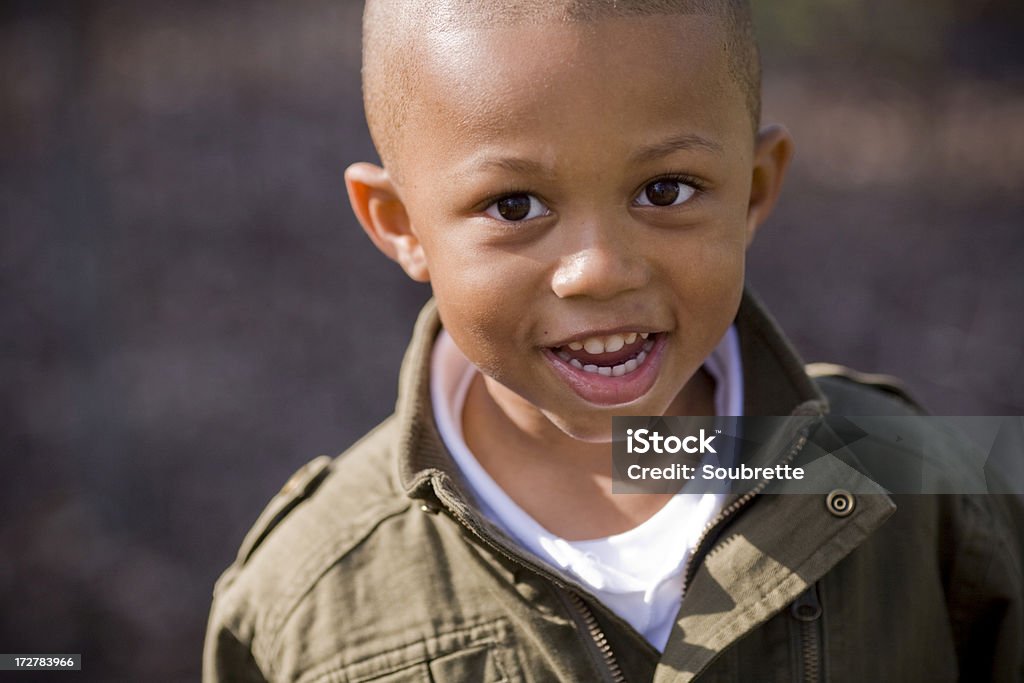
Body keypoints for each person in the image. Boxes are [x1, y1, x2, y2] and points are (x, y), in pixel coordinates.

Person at [203, 1, 1023, 680]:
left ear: (754, 189)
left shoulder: (916, 487)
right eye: (516, 205)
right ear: (400, 224)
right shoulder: (305, 600)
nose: (597, 271)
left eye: (665, 190)